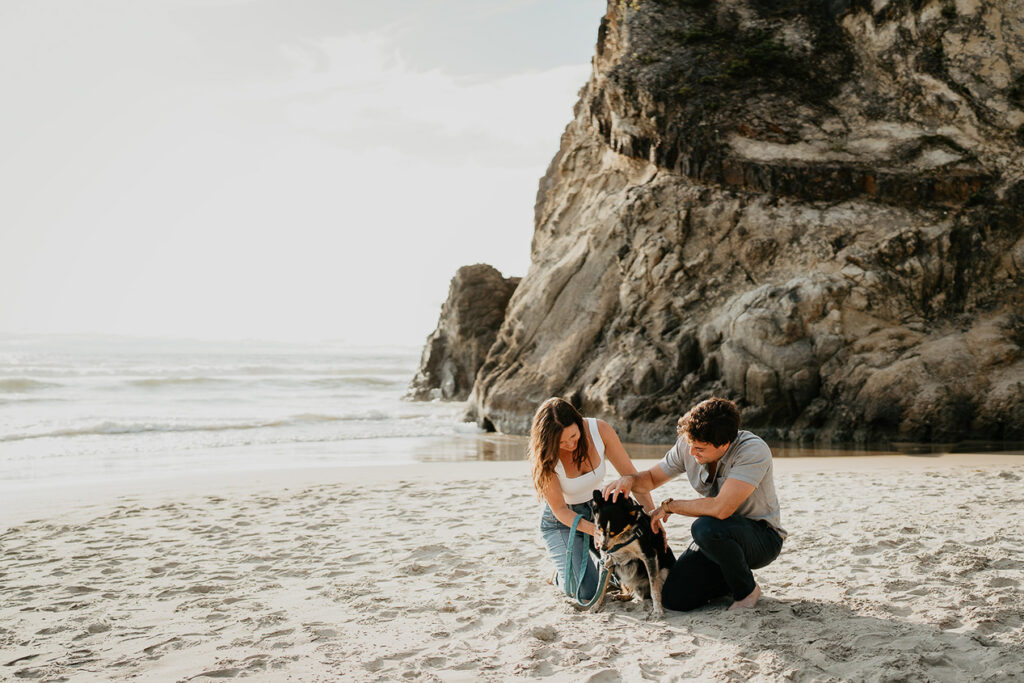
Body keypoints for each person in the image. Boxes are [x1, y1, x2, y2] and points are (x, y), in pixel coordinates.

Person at [603, 397, 785, 611]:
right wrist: (630, 480)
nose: (691, 452)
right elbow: (651, 479)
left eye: (699, 448)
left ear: (724, 444)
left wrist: (670, 506)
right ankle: (727, 578)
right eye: (690, 445)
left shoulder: (753, 451)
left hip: (761, 537)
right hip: (717, 540)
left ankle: (746, 591)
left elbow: (721, 508)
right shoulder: (689, 443)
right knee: (674, 599)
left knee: (704, 527)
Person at [531, 397, 656, 600]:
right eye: (561, 442)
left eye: (573, 436)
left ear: (579, 422)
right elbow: (560, 510)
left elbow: (633, 478)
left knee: (640, 577)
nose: (570, 444)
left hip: (599, 512)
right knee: (585, 592)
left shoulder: (600, 431)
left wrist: (651, 518)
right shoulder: (545, 455)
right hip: (563, 522)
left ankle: (596, 567)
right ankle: (559, 575)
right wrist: (592, 531)